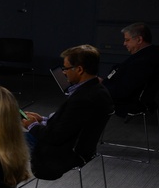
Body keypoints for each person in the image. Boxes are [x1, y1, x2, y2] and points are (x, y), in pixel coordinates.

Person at [22, 45, 114, 180]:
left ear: (80, 69)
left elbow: (55, 136)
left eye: (66, 68)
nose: (64, 72)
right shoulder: (97, 90)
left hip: (59, 154)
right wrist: (42, 120)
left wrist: (32, 126)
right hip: (78, 148)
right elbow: (70, 124)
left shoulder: (83, 99)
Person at [101, 22, 159, 116]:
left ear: (139, 39)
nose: (124, 43)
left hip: (126, 102)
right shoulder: (150, 55)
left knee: (83, 96)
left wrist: (102, 87)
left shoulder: (144, 61)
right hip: (123, 95)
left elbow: (124, 91)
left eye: (127, 40)